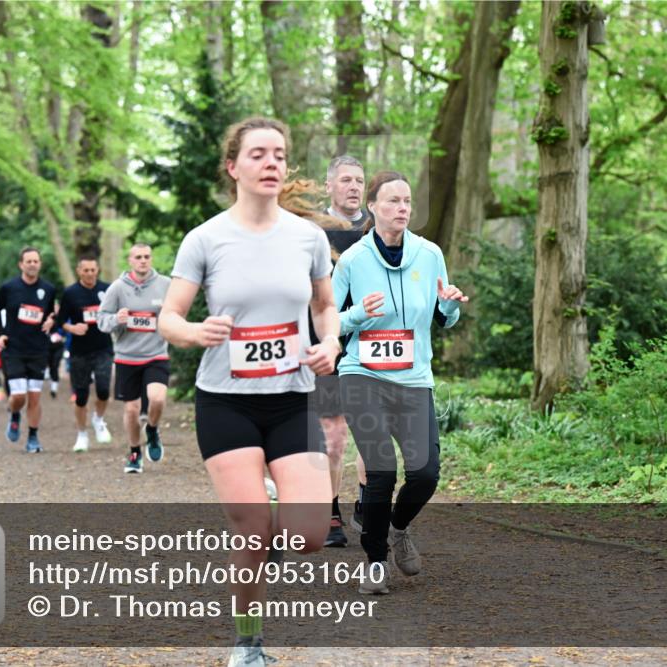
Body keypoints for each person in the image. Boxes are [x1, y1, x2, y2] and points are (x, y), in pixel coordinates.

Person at [157, 116, 339, 667]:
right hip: (226, 401)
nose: (272, 164)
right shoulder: (206, 239)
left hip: (290, 399)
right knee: (254, 529)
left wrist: (330, 343)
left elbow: (324, 305)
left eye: (279, 155)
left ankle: (273, 507)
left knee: (307, 537)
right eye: (259, 154)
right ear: (233, 167)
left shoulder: (308, 238)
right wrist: (195, 332)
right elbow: (169, 316)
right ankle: (248, 643)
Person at [332, 170, 468, 595]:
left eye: (407, 201)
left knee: (426, 474)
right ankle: (374, 562)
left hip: (413, 378)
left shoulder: (429, 255)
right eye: (392, 201)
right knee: (380, 471)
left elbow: (446, 316)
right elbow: (326, 323)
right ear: (372, 207)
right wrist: (357, 316)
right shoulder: (352, 261)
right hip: (362, 375)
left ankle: (397, 527)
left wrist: (449, 307)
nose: (402, 209)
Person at [312, 155, 372, 547]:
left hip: (373, 342)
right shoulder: (312, 230)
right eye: (346, 180)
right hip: (328, 341)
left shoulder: (377, 226)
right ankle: (330, 513)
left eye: (360, 181)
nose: (354, 187)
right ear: (330, 185)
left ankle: (368, 505)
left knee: (371, 431)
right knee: (334, 437)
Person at [98, 243, 171, 473]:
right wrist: (116, 320)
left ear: (151, 259)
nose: (143, 260)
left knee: (157, 399)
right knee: (131, 410)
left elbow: (176, 312)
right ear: (130, 260)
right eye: (138, 257)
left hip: (156, 354)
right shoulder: (118, 288)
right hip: (127, 357)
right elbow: (102, 320)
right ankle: (134, 452)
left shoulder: (165, 285)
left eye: (147, 256)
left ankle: (151, 428)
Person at [0, 247, 58, 453]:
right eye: (28, 261)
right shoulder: (8, 287)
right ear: (21, 264)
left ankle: (33, 437)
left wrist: (51, 321)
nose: (32, 264)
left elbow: (50, 315)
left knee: (35, 397)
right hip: (14, 349)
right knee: (19, 396)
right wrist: (0, 333)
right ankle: (14, 414)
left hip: (38, 349)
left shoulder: (48, 289)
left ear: (40, 264)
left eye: (36, 261)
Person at [56, 256, 114, 453]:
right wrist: (72, 328)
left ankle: (98, 420)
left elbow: (115, 314)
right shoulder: (71, 293)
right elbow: (60, 321)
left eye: (93, 270)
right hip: (79, 352)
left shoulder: (107, 289)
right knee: (81, 396)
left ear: (98, 270)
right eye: (85, 270)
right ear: (79, 271)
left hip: (103, 348)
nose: (90, 274)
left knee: (104, 389)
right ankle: (81, 434)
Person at [45, 316, 65, 399]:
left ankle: (54, 389)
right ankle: (52, 383)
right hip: (47, 347)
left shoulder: (61, 318)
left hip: (59, 347)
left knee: (55, 365)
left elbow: (66, 332)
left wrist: (62, 337)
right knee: (50, 365)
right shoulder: (45, 317)